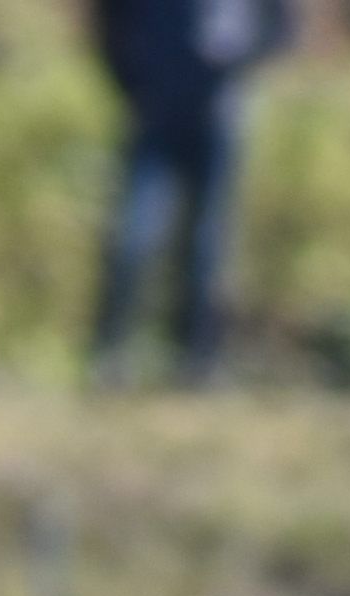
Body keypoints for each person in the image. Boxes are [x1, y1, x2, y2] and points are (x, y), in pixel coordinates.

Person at [86, 0, 270, 385]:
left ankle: (198, 363)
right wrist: (133, 81)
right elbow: (108, 22)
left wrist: (242, 71)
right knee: (134, 238)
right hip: (155, 111)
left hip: (219, 111)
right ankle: (110, 355)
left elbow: (276, 23)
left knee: (208, 245)